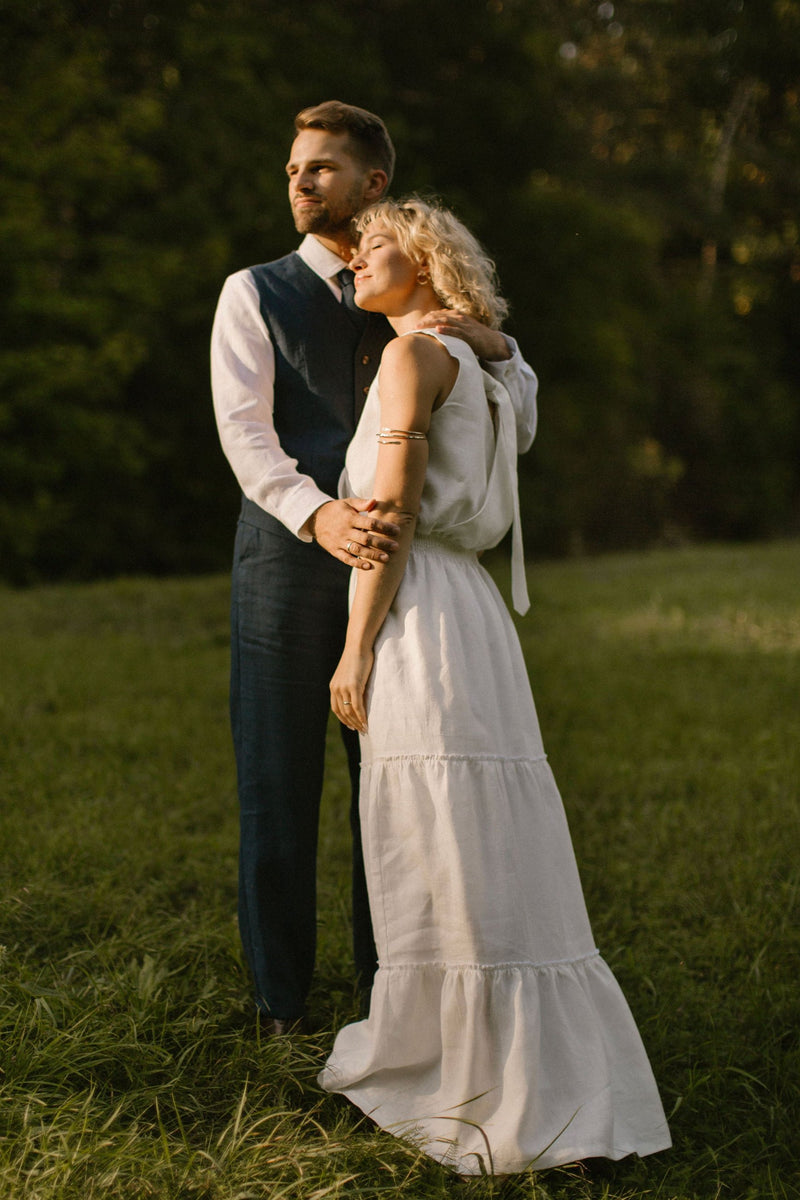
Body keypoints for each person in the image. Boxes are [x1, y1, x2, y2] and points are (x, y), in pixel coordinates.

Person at [319, 198, 672, 1176]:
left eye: (375, 244)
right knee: (475, 839)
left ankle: (468, 1078)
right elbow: (513, 381)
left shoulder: (405, 360)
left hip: (415, 614)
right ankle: (529, 1067)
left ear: (423, 261)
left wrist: (353, 651)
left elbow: (386, 519)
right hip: (469, 615)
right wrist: (493, 332)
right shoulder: (485, 369)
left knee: (440, 837)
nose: (353, 258)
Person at [211, 102, 539, 1033]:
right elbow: (245, 436)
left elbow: (513, 408)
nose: (299, 183)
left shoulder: (415, 287)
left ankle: (389, 991)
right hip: (285, 562)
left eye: (320, 168)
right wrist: (320, 517)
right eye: (292, 170)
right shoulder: (254, 292)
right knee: (276, 784)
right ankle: (281, 1004)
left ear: (373, 184)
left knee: (392, 784)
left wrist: (497, 344)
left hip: (408, 578)